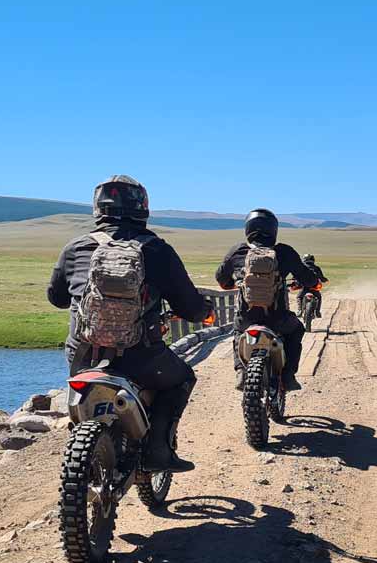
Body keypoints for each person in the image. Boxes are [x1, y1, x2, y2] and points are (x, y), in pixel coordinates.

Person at [47, 175, 211, 473]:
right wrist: (203, 311)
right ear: (142, 206)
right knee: (181, 378)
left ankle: (85, 443)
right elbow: (189, 306)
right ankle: (159, 451)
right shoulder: (157, 250)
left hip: (83, 355)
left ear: (98, 207)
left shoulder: (76, 247)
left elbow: (56, 297)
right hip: (140, 356)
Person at [215, 208, 318, 391]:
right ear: (273, 230)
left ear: (248, 229)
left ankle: (241, 371)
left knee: (238, 331)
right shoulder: (284, 252)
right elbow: (308, 279)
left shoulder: (238, 251)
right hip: (277, 319)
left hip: (247, 318)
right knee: (297, 329)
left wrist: (234, 282)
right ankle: (287, 376)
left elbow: (221, 279)